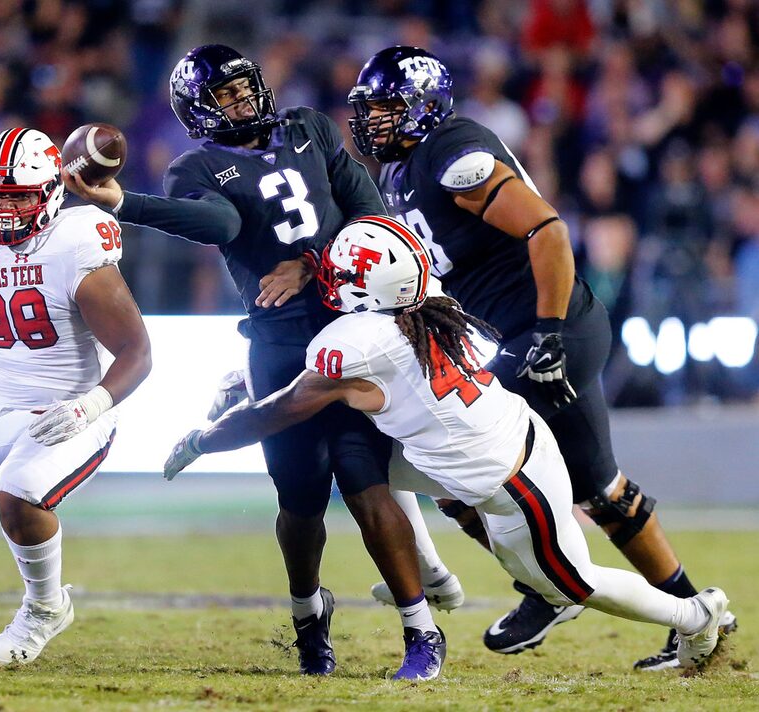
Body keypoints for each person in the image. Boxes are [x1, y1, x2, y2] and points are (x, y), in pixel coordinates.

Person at [162, 215, 729, 673]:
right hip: (470, 445)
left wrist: (203, 438)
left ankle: (694, 615)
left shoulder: (356, 342)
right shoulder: (419, 295)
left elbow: (277, 412)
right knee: (364, 462)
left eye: (339, 274)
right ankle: (432, 576)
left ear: (363, 290)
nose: (330, 280)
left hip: (508, 477)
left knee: (573, 583)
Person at [345, 46, 736, 669]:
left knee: (462, 460)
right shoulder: (403, 170)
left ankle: (548, 588)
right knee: (598, 489)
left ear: (425, 105)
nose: (376, 122)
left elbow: (546, 228)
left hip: (551, 332)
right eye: (371, 110)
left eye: (390, 108)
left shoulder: (452, 149)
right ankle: (687, 612)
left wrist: (549, 331)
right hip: (519, 336)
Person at [64, 44, 444, 679]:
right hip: (279, 343)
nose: (242, 100)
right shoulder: (197, 166)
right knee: (300, 499)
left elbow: (372, 214)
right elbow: (216, 222)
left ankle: (421, 630)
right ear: (197, 110)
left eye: (245, 87)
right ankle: (307, 614)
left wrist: (311, 262)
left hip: (352, 329)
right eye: (225, 95)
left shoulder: (311, 128)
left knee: (364, 480)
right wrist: (123, 202)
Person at [0, 127, 152, 663]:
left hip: (70, 407)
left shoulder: (74, 242)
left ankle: (45, 606)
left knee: (20, 489)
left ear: (51, 192)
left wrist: (90, 405)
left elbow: (136, 353)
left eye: (19, 196)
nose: (4, 208)